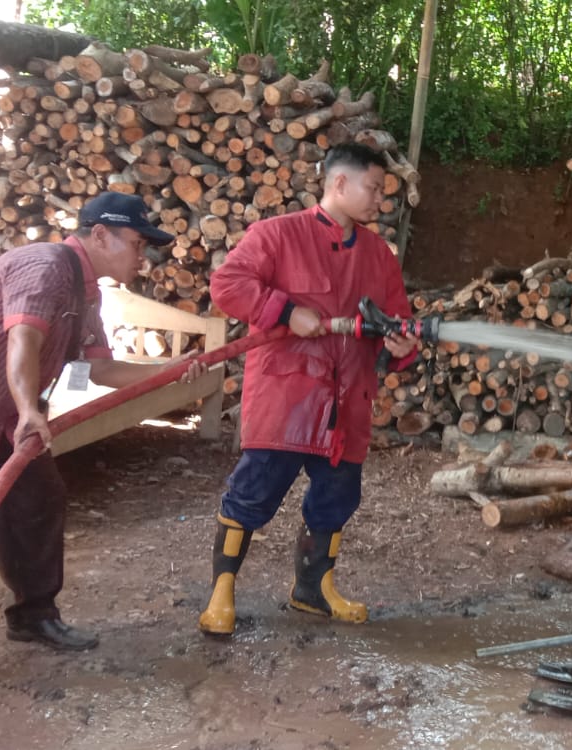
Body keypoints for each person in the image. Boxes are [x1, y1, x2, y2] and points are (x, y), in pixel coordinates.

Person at [0, 192, 204, 685]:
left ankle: (34, 616)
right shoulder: (45, 265)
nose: (144, 257)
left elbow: (97, 366)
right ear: (100, 235)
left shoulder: (86, 292)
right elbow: (22, 338)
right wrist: (31, 409)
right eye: (138, 243)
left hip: (4, 417)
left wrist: (168, 369)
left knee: (38, 500)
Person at [198, 142, 418, 637]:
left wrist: (402, 342)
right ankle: (221, 595)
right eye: (374, 188)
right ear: (339, 183)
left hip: (348, 403)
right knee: (251, 496)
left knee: (336, 500)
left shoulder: (379, 256)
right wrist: (283, 310)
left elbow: (396, 317)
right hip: (286, 399)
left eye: (382, 191)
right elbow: (227, 285)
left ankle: (314, 591)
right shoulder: (276, 236)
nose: (380, 200)